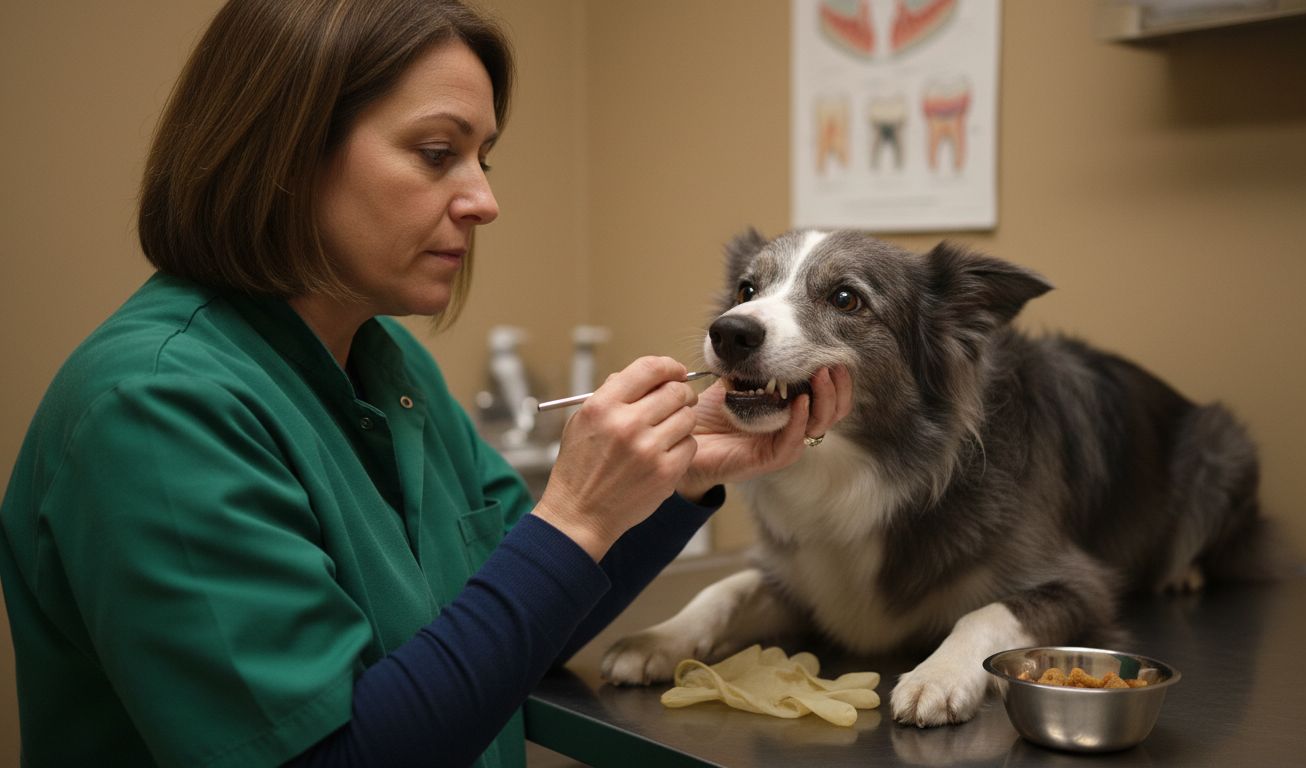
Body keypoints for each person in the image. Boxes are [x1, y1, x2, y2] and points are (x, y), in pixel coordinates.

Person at [0, 1, 853, 766]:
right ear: (284, 152)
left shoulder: (387, 367)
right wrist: (576, 515)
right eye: (437, 153)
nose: (482, 201)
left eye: (483, 158)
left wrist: (681, 479)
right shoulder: (152, 409)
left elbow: (523, 627)